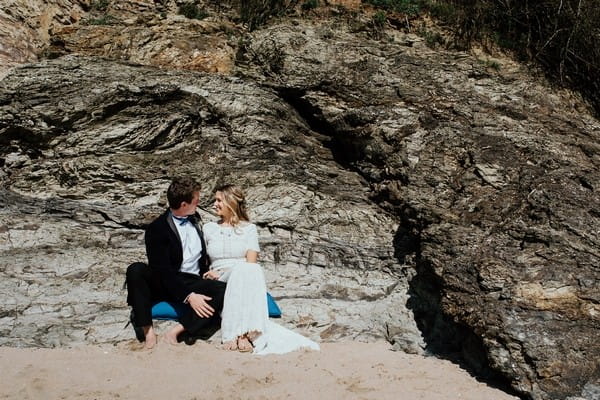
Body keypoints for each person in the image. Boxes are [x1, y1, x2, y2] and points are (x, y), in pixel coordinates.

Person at [202, 184, 319, 354]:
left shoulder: (249, 229)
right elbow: (201, 259)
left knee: (251, 269)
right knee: (248, 269)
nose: (215, 204)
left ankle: (242, 333)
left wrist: (235, 269)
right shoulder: (208, 228)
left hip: (243, 274)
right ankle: (237, 332)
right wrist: (208, 272)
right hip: (219, 276)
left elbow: (251, 261)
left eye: (219, 200)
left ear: (231, 202)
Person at [126, 177, 226, 349]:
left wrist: (206, 271)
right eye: (196, 200)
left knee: (223, 290)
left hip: (191, 278)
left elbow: (197, 254)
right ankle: (148, 333)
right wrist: (189, 296)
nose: (199, 202)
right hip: (166, 281)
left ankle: (177, 331)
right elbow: (162, 271)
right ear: (183, 204)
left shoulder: (196, 220)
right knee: (136, 270)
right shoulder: (157, 229)